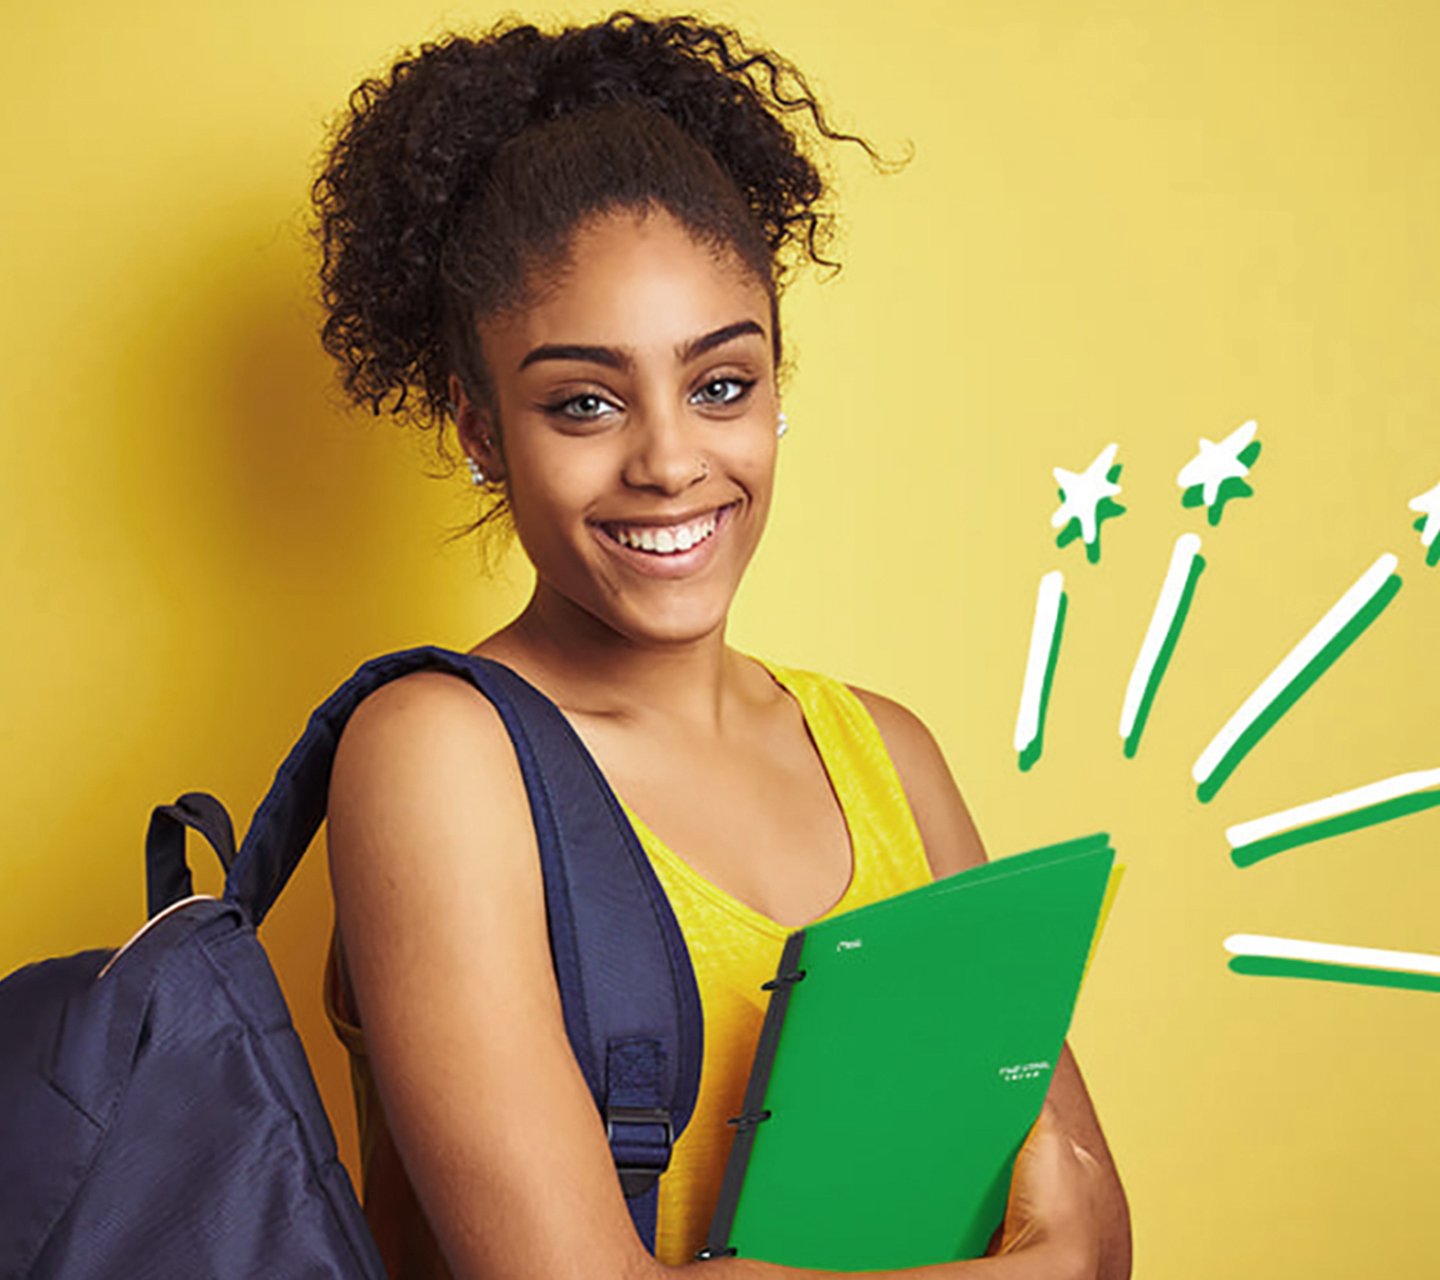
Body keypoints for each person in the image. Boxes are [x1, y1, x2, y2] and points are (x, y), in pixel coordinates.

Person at [314, 12, 1131, 1279]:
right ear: (481, 428)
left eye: (721, 383)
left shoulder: (883, 749)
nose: (670, 459)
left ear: (776, 389)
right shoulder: (437, 755)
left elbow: (1094, 1235)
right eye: (584, 401)